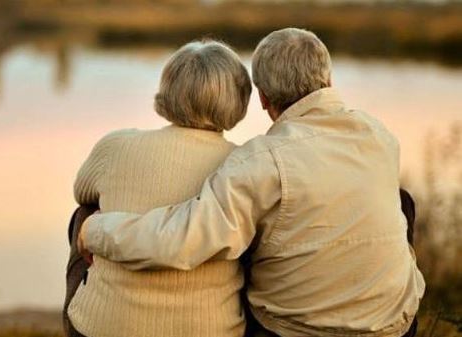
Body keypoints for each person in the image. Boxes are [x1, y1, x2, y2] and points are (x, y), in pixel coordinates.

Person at [79, 28, 425, 337]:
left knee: (243, 233)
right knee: (401, 201)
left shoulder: (261, 160)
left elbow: (185, 239)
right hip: (396, 324)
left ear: (262, 99)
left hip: (293, 330)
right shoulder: (380, 135)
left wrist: (94, 231)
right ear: (329, 81)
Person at [67, 39, 253, 337]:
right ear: (239, 99)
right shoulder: (245, 163)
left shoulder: (116, 145)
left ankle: (101, 301)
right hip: (212, 330)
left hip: (101, 329)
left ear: (168, 92)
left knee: (85, 212)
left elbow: (82, 190)